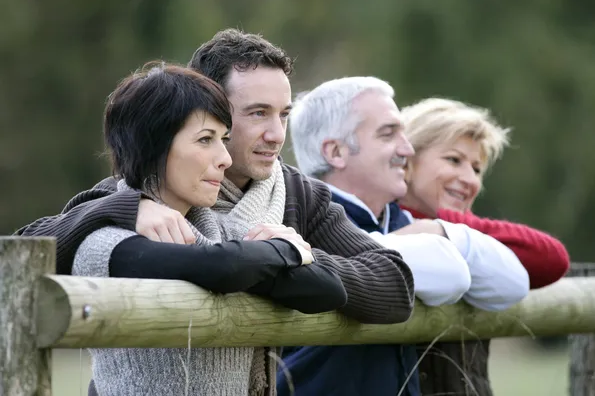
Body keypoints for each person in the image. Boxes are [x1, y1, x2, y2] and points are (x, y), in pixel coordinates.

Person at [16, 29, 416, 394]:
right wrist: (126, 207)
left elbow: (395, 285)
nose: (277, 134)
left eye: (284, 114)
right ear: (207, 108)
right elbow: (26, 251)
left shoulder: (295, 192)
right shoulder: (150, 189)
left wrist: (297, 252)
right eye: (258, 113)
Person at [75, 61, 347, 395]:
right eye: (206, 140)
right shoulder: (103, 241)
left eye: (224, 139)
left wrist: (270, 254)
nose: (225, 159)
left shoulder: (222, 231)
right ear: (154, 146)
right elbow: (219, 267)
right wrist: (286, 249)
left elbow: (329, 290)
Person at [280, 76, 530, 396]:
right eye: (388, 134)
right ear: (336, 151)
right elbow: (452, 274)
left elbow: (513, 284)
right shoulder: (298, 221)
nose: (407, 148)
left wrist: (440, 231)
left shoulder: (396, 219)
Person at [396, 97, 570, 395]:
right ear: (407, 159)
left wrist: (445, 228)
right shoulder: (374, 223)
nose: (469, 180)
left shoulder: (469, 236)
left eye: (477, 169)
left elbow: (552, 259)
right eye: (453, 160)